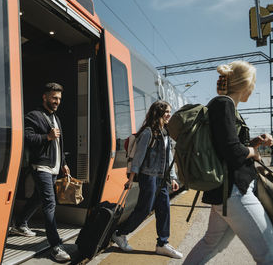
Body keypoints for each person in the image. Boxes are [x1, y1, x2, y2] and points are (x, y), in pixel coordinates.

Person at [183, 61, 273, 265]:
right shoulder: (224, 104)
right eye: (253, 83)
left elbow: (226, 146)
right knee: (269, 253)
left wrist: (254, 142)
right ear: (245, 85)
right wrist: (254, 153)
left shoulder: (224, 105)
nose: (253, 88)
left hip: (226, 193)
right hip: (234, 192)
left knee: (211, 244)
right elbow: (232, 152)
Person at [112, 100, 183, 259]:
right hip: (148, 176)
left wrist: (172, 177)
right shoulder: (147, 133)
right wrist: (131, 178)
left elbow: (168, 156)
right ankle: (120, 234)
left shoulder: (165, 133)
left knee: (164, 208)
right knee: (144, 209)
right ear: (158, 113)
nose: (169, 115)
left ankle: (162, 244)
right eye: (166, 112)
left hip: (162, 177)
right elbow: (138, 157)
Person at [10, 82, 71, 262]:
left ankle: (20, 223)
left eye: (59, 98)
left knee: (38, 197)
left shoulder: (56, 118)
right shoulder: (33, 116)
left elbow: (59, 143)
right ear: (45, 97)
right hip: (41, 167)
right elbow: (27, 137)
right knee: (50, 204)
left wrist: (64, 164)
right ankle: (56, 247)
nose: (57, 101)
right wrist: (47, 137)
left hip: (53, 167)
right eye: (54, 97)